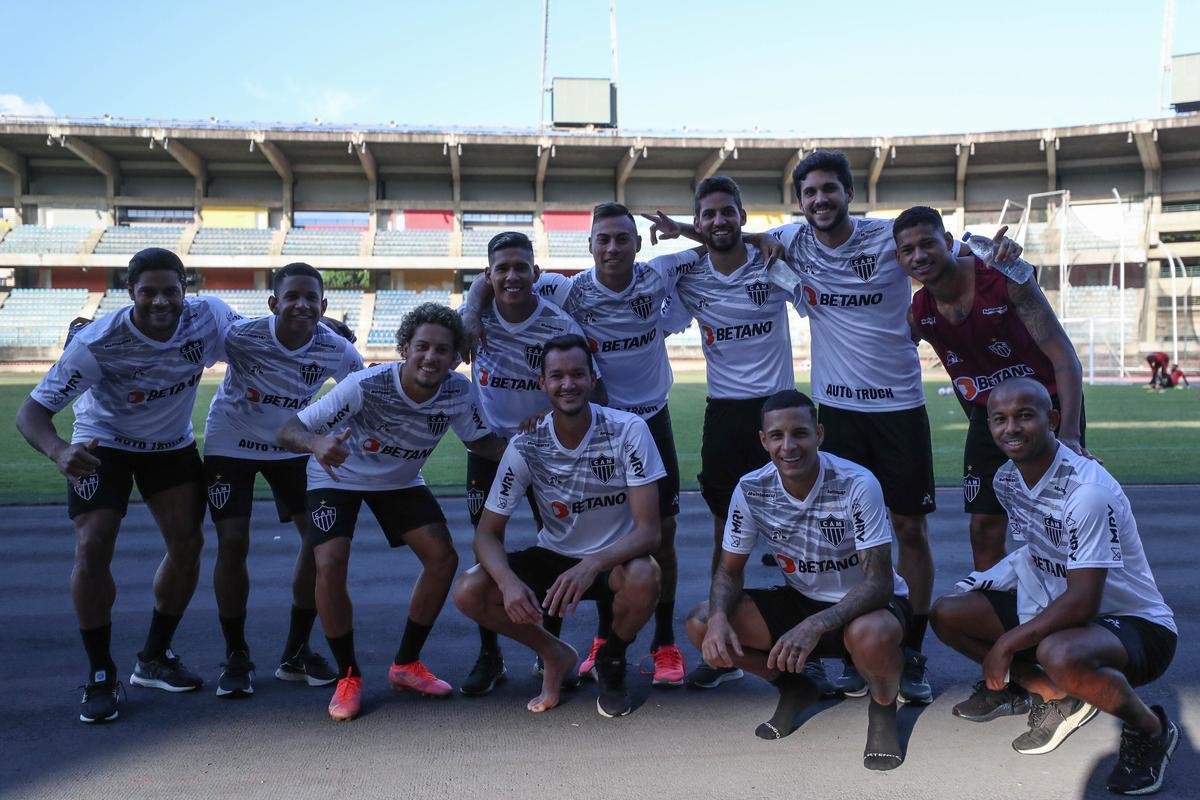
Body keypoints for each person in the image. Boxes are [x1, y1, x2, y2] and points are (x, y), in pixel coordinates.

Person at [463, 205, 701, 687]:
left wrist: (698, 230)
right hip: (528, 440)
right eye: (602, 240)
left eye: (621, 239)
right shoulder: (565, 289)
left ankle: (657, 642)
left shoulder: (658, 276)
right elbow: (493, 278)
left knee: (653, 534)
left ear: (637, 243)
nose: (612, 248)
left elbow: (723, 244)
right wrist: (471, 308)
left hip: (643, 419)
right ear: (589, 246)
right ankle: (506, 652)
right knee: (529, 538)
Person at [15, 247, 241, 723]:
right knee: (93, 546)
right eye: (148, 292)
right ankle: (100, 672)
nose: (161, 302)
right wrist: (59, 451)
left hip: (169, 444)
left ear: (186, 289)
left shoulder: (209, 317)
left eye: (170, 291)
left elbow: (259, 342)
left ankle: (154, 658)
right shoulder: (98, 342)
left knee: (188, 543)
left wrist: (326, 336)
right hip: (104, 442)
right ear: (130, 293)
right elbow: (30, 414)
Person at [931, 378, 1177, 796]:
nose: (1011, 428)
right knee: (947, 613)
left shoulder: (1088, 492)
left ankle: (1150, 729)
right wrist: (988, 581)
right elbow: (1037, 549)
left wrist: (1007, 644)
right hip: (1062, 608)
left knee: (1057, 651)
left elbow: (1083, 602)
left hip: (1135, 624)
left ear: (1053, 420)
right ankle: (1057, 694)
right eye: (999, 419)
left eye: (1025, 416)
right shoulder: (1007, 479)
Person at [276, 302, 507, 721]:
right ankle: (348, 675)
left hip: (399, 480)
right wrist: (317, 445)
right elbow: (289, 428)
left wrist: (532, 451)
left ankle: (406, 665)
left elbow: (480, 442)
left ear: (455, 356)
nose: (431, 357)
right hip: (338, 477)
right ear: (405, 347)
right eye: (422, 347)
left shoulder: (458, 391)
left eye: (442, 350)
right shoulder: (365, 385)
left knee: (443, 559)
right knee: (329, 562)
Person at [685, 389, 912, 771]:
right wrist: (721, 618)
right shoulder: (751, 488)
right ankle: (796, 688)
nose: (788, 446)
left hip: (867, 604)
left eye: (800, 434)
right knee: (702, 623)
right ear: (763, 440)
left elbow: (879, 583)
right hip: (803, 600)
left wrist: (815, 624)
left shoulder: (858, 483)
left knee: (869, 635)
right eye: (777, 436)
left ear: (819, 434)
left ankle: (883, 708)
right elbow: (729, 569)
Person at [646, 176, 807, 692]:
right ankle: (722, 647)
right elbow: (667, 292)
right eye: (708, 214)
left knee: (803, 524)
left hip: (778, 410)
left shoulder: (770, 261)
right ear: (699, 221)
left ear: (742, 216)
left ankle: (817, 636)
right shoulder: (688, 277)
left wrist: (764, 245)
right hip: (726, 415)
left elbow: (807, 300)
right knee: (726, 530)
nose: (718, 221)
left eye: (727, 212)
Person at [453, 334, 664, 719]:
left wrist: (592, 564)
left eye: (577, 374)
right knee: (469, 590)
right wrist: (507, 582)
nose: (568, 384)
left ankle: (611, 660)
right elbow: (486, 533)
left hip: (610, 560)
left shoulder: (628, 430)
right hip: (553, 555)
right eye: (557, 376)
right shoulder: (526, 443)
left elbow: (649, 532)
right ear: (543, 384)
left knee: (645, 575)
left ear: (592, 378)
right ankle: (554, 653)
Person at [895, 206, 1087, 572]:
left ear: (948, 243)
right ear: (898, 258)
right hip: (989, 417)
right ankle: (994, 610)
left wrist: (1071, 436)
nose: (919, 256)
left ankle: (1073, 610)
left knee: (1061, 521)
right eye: (908, 250)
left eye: (928, 244)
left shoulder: (1003, 278)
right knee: (983, 527)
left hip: (1045, 410)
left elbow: (1065, 358)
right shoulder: (919, 312)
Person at [202, 262, 363, 696]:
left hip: (293, 443)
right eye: (291, 296)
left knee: (317, 541)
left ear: (324, 305)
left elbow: (363, 394)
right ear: (273, 303)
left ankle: (295, 652)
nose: (301, 304)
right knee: (232, 541)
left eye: (311, 298)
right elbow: (187, 341)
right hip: (231, 440)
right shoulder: (239, 336)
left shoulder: (337, 349)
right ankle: (236, 655)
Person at [456, 231, 601, 696]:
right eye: (503, 268)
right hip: (488, 449)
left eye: (522, 267)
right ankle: (488, 654)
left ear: (536, 273)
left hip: (545, 450)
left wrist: (554, 411)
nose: (513, 276)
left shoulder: (557, 325)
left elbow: (576, 382)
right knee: (485, 545)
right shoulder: (471, 321)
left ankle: (551, 652)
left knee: (558, 547)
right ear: (489, 276)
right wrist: (470, 308)